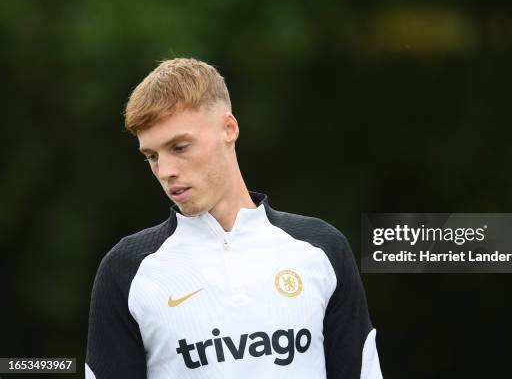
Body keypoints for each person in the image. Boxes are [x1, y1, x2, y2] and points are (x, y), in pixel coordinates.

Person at [85, 58, 383, 378]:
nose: (165, 171)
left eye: (180, 147)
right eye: (152, 156)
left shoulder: (321, 248)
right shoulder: (127, 269)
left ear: (229, 128)